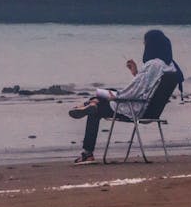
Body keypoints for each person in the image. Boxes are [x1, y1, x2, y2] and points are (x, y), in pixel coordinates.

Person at [69, 29, 184, 165]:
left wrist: (115, 96)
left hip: (134, 109)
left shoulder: (153, 65)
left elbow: (131, 93)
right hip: (150, 110)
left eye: (145, 44)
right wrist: (135, 72)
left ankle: (87, 152)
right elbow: (147, 87)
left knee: (99, 101)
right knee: (104, 95)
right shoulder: (169, 66)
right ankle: (91, 104)